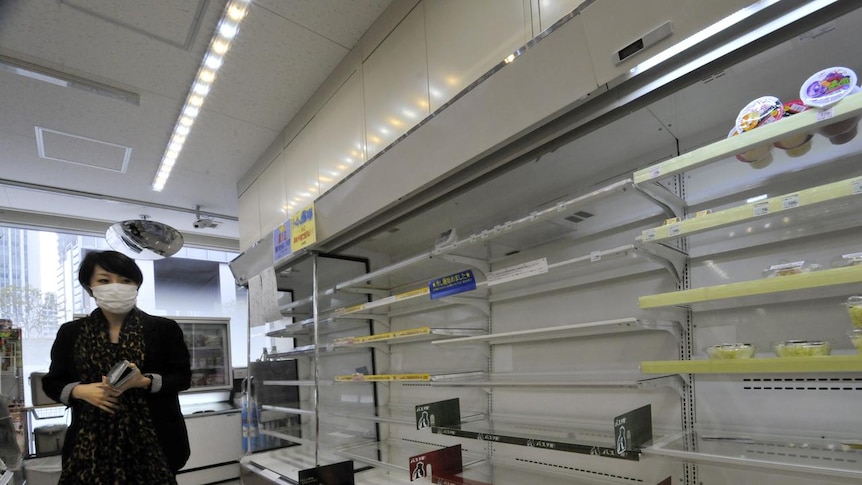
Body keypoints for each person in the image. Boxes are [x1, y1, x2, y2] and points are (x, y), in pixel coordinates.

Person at [42, 250, 191, 484]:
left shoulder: (164, 329)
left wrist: (145, 381)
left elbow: (182, 378)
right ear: (88, 286)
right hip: (88, 447)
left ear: (136, 286)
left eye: (125, 280)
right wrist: (81, 391)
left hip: (154, 445)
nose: (116, 287)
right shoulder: (71, 333)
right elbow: (52, 382)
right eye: (104, 280)